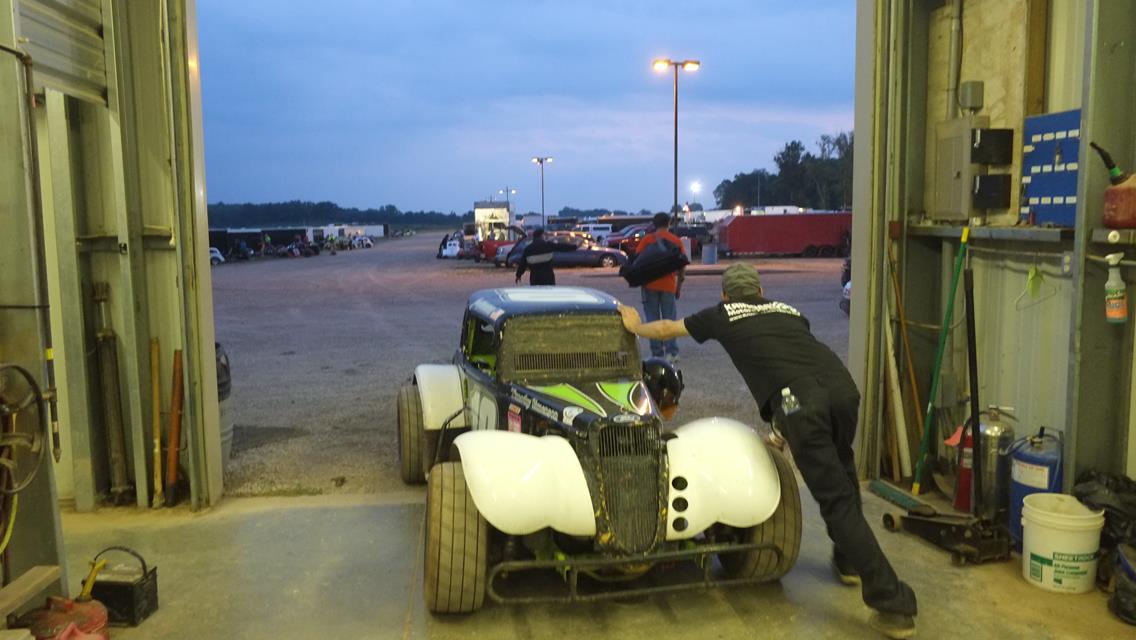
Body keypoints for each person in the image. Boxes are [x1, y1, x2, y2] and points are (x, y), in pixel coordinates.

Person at [617, 262, 918, 640]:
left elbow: (666, 328)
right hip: (842, 392)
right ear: (760, 291)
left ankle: (892, 603)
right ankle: (849, 561)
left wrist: (633, 324)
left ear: (726, 294)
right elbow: (789, 361)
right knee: (842, 469)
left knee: (836, 500)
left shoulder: (723, 314)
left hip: (800, 404)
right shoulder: (789, 310)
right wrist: (782, 430)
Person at [634, 212, 686, 363]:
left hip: (649, 285)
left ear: (654, 224)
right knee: (670, 319)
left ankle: (656, 354)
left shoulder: (647, 240)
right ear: (669, 223)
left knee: (652, 320)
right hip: (668, 285)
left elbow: (637, 261)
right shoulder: (676, 241)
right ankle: (672, 352)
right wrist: (679, 286)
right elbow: (682, 267)